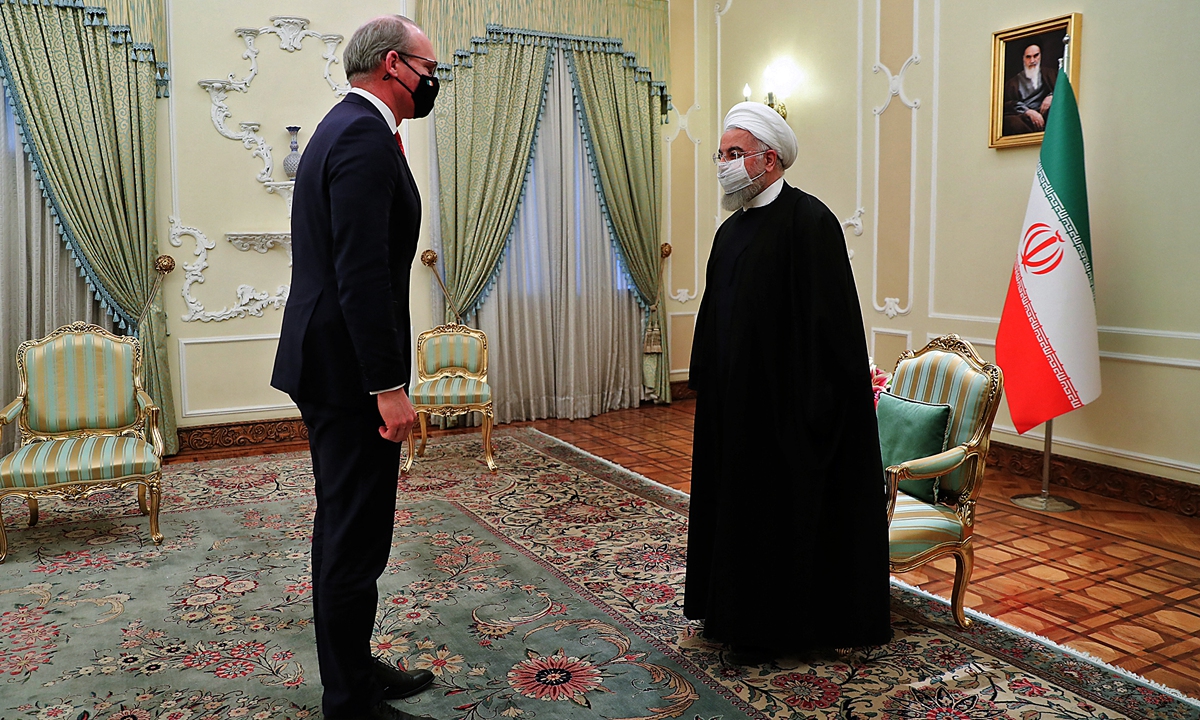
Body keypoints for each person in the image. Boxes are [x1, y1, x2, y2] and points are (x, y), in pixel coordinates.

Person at [271, 15, 441, 720]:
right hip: (348, 375)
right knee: (354, 536)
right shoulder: (365, 136)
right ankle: (349, 700)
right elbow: (362, 275)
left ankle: (354, 669)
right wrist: (389, 390)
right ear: (394, 65)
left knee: (346, 529)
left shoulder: (341, 126)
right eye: (431, 67)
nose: (435, 80)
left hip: (330, 362)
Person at [684, 102, 892, 653]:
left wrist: (815, 406)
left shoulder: (811, 222)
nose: (724, 164)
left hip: (788, 412)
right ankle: (729, 613)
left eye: (734, 154)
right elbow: (714, 311)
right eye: (721, 154)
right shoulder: (732, 229)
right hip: (733, 407)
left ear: (769, 159)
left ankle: (777, 626)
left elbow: (834, 327)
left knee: (778, 519)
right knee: (734, 514)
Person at [1003, 43, 1056, 135]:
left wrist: (1052, 96)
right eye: (1028, 57)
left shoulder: (1051, 74)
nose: (1032, 60)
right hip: (1023, 117)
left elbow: (1062, 92)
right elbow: (1008, 104)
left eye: (1036, 56)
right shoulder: (1013, 82)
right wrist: (1027, 111)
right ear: (1023, 59)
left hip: (1046, 114)